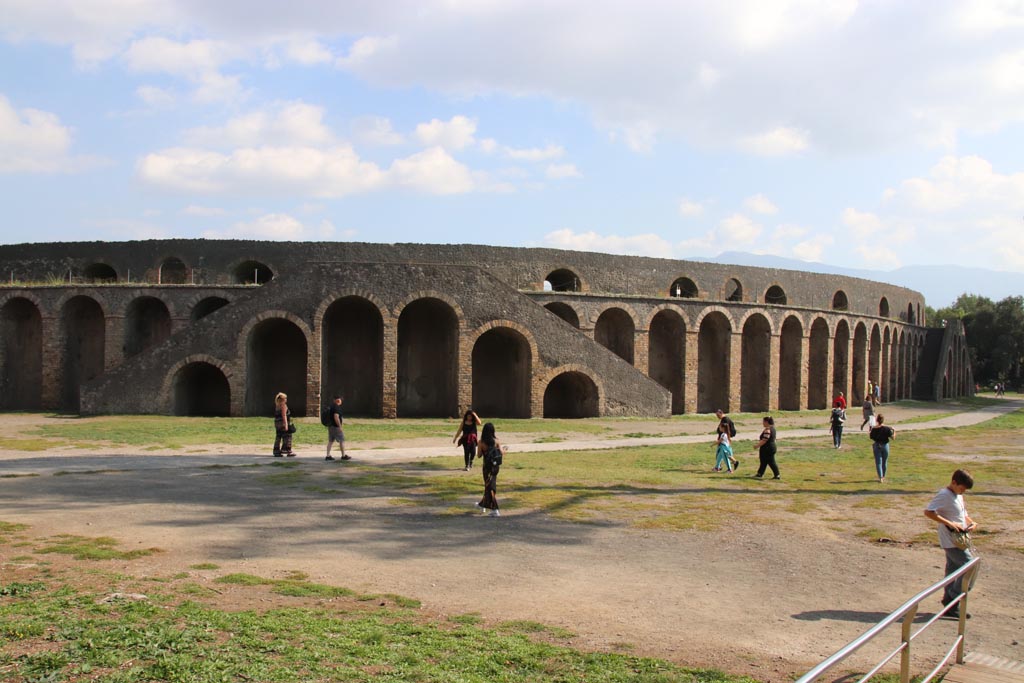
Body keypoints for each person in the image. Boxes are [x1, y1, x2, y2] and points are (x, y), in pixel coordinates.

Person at [924, 470, 978, 619]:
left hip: (959, 539)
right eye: (962, 488)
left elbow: (963, 513)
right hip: (950, 540)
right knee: (970, 566)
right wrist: (949, 524)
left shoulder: (958, 495)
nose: (963, 492)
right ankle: (952, 599)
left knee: (953, 570)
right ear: (954, 482)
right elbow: (929, 512)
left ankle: (949, 604)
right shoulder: (944, 495)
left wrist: (971, 522)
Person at [476, 422, 504, 517]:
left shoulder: (481, 442)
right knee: (490, 485)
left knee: (489, 486)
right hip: (495, 467)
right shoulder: (496, 441)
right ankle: (483, 504)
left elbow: (479, 455)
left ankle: (495, 509)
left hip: (487, 467)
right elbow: (501, 453)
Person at [868, 413, 895, 482]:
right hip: (885, 445)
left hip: (877, 445)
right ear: (883, 420)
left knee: (878, 462)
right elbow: (893, 438)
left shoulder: (874, 429)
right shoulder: (887, 429)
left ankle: (880, 477)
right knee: (884, 461)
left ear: (877, 420)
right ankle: (883, 476)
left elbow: (871, 437)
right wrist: (894, 431)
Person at [324, 395, 350, 461]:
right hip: (336, 427)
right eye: (341, 400)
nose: (341, 401)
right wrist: (339, 426)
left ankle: (328, 455)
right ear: (338, 400)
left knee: (330, 441)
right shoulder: (336, 407)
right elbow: (336, 417)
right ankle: (343, 455)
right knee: (342, 440)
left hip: (330, 426)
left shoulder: (331, 406)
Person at [273, 392, 295, 457]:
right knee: (287, 436)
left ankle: (276, 451)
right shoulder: (283, 406)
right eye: (285, 398)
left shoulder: (277, 406)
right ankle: (287, 450)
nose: (286, 399)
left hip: (277, 423)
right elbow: (284, 415)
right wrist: (286, 425)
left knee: (278, 437)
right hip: (283, 423)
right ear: (283, 399)